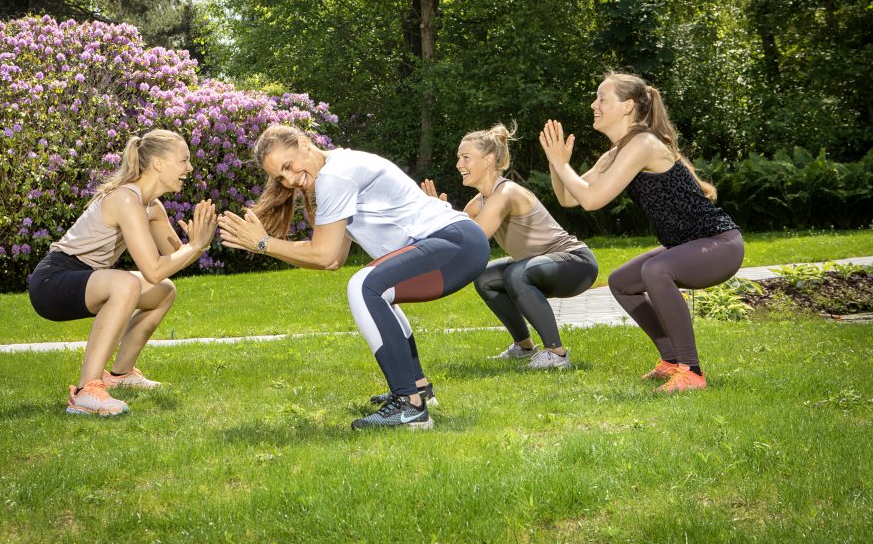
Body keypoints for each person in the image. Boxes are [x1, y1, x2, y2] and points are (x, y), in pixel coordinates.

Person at [218, 124, 490, 430]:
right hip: (459, 244)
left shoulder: (336, 175)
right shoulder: (334, 173)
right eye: (281, 177)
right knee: (377, 290)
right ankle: (417, 388)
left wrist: (263, 244)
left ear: (304, 144)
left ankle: (409, 406)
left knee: (364, 286)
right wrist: (266, 245)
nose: (290, 179)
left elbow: (322, 254)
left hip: (454, 242)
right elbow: (334, 258)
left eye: (288, 166)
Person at [540, 72, 743, 393]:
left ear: (627, 106)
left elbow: (592, 200)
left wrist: (562, 166)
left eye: (601, 98)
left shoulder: (643, 144)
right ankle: (671, 361)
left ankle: (691, 372)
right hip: (690, 246)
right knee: (622, 282)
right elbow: (569, 198)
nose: (594, 104)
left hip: (720, 244)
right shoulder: (616, 152)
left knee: (655, 269)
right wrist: (557, 164)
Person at [29, 130, 216, 416]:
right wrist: (194, 247)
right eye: (184, 160)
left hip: (87, 278)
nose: (189, 168)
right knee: (128, 284)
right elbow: (152, 269)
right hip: (54, 280)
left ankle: (120, 374)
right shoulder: (126, 200)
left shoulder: (152, 207)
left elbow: (171, 262)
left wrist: (197, 246)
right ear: (158, 163)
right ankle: (85, 392)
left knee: (164, 291)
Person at [421, 124, 597, 369]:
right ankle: (524, 347)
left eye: (466, 157)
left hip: (576, 263)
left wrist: (444, 219)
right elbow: (454, 241)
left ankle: (556, 354)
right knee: (485, 276)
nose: (459, 164)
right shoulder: (479, 202)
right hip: (539, 266)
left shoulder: (506, 193)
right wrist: (436, 213)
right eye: (459, 158)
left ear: (490, 159)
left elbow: (474, 240)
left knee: (517, 273)